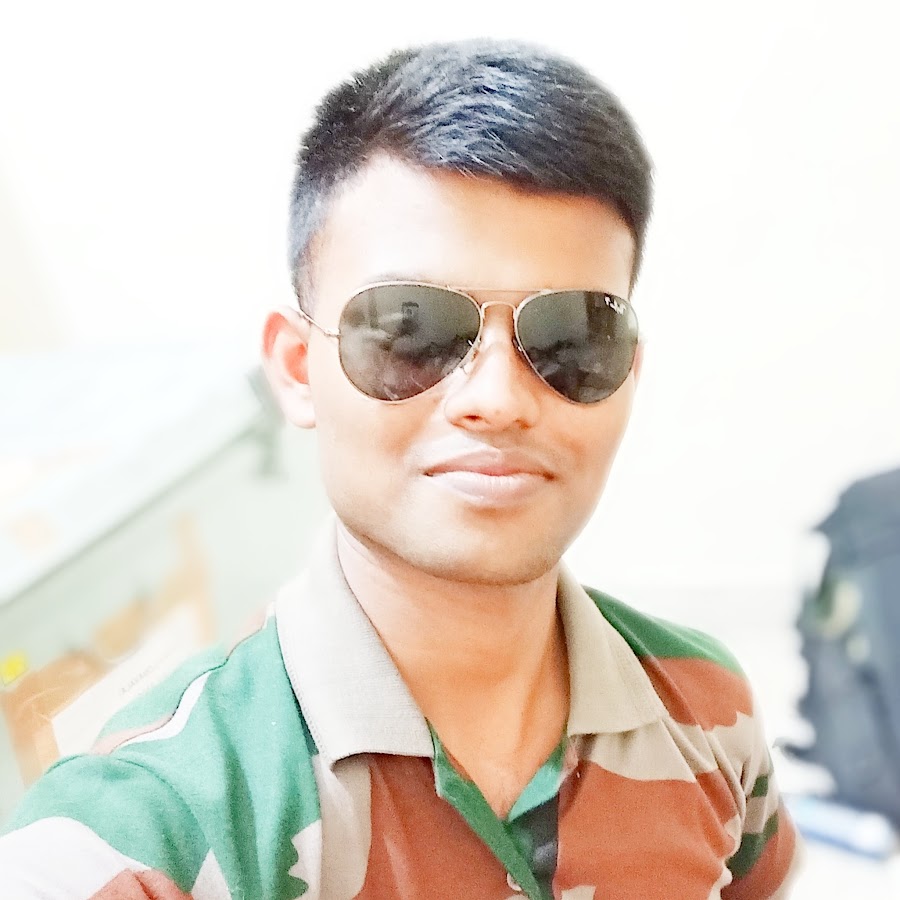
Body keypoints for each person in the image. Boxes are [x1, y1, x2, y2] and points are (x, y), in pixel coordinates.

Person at [0, 39, 800, 899]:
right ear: (298, 369)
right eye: (413, 331)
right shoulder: (154, 827)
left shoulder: (707, 709)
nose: (497, 399)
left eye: (571, 337)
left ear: (629, 374)